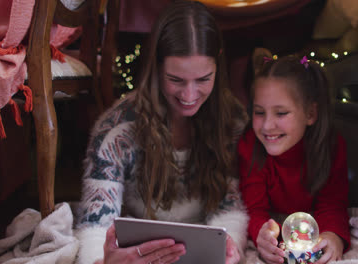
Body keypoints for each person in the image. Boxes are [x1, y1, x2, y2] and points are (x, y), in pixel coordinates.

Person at [75, 1, 249, 264]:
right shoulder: (116, 130)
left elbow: (232, 207)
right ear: (156, 67)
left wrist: (231, 248)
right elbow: (95, 225)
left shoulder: (233, 121)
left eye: (203, 79)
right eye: (176, 80)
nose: (189, 96)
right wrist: (103, 260)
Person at [238, 55, 350, 264]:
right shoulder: (250, 146)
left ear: (310, 114)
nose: (267, 126)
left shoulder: (330, 147)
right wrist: (261, 235)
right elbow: (253, 210)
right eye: (259, 112)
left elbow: (332, 204)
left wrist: (333, 236)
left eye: (281, 113)